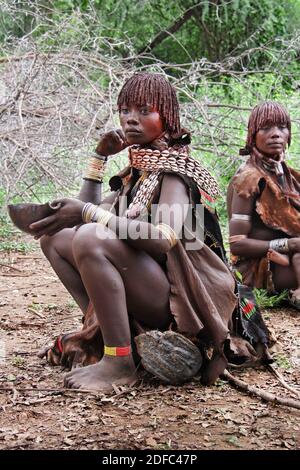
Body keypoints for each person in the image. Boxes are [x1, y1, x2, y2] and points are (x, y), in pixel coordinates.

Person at [30, 73, 238, 392]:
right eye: (125, 110)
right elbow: (81, 220)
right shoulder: (138, 174)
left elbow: (162, 239)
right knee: (56, 239)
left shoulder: (176, 174)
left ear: (167, 116)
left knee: (90, 237)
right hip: (153, 287)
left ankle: (119, 360)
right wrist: (99, 156)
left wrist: (88, 213)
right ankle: (106, 332)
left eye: (144, 110)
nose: (131, 119)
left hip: (182, 301)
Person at [227, 101, 300, 309]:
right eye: (266, 128)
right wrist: (289, 244)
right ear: (252, 136)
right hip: (260, 268)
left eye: (282, 127)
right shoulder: (247, 180)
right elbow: (237, 245)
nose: (276, 134)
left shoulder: (287, 175)